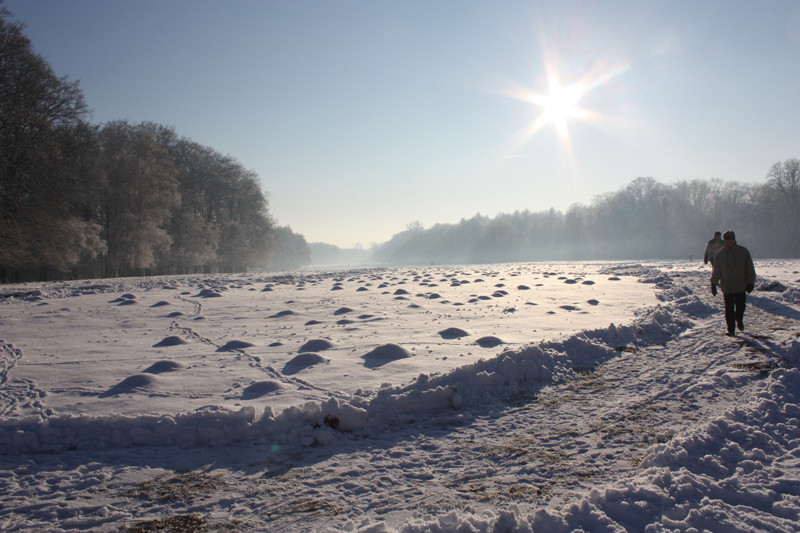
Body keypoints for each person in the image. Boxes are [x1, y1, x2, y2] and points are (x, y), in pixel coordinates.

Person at [710, 230, 756, 336]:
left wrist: (750, 283)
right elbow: (716, 270)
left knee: (740, 307)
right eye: (727, 240)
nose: (729, 242)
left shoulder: (743, 252)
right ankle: (730, 328)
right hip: (727, 286)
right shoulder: (720, 254)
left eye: (731, 240)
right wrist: (713, 283)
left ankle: (739, 319)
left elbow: (750, 269)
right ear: (725, 240)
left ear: (734, 240)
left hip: (740, 286)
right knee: (729, 308)